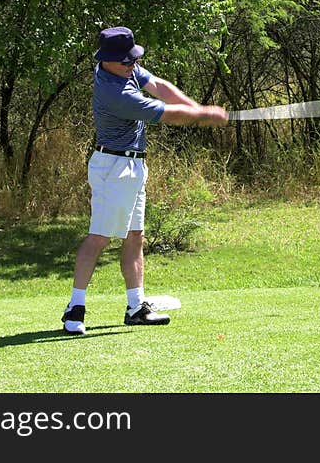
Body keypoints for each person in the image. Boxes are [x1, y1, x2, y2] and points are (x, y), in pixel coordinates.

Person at [62, 26, 228, 334]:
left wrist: (197, 109)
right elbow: (166, 113)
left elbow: (160, 86)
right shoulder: (116, 92)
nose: (132, 65)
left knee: (135, 235)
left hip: (133, 165)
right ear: (108, 61)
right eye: (126, 61)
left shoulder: (125, 69)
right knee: (99, 237)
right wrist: (203, 116)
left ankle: (136, 307)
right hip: (113, 167)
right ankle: (75, 308)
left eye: (133, 60)